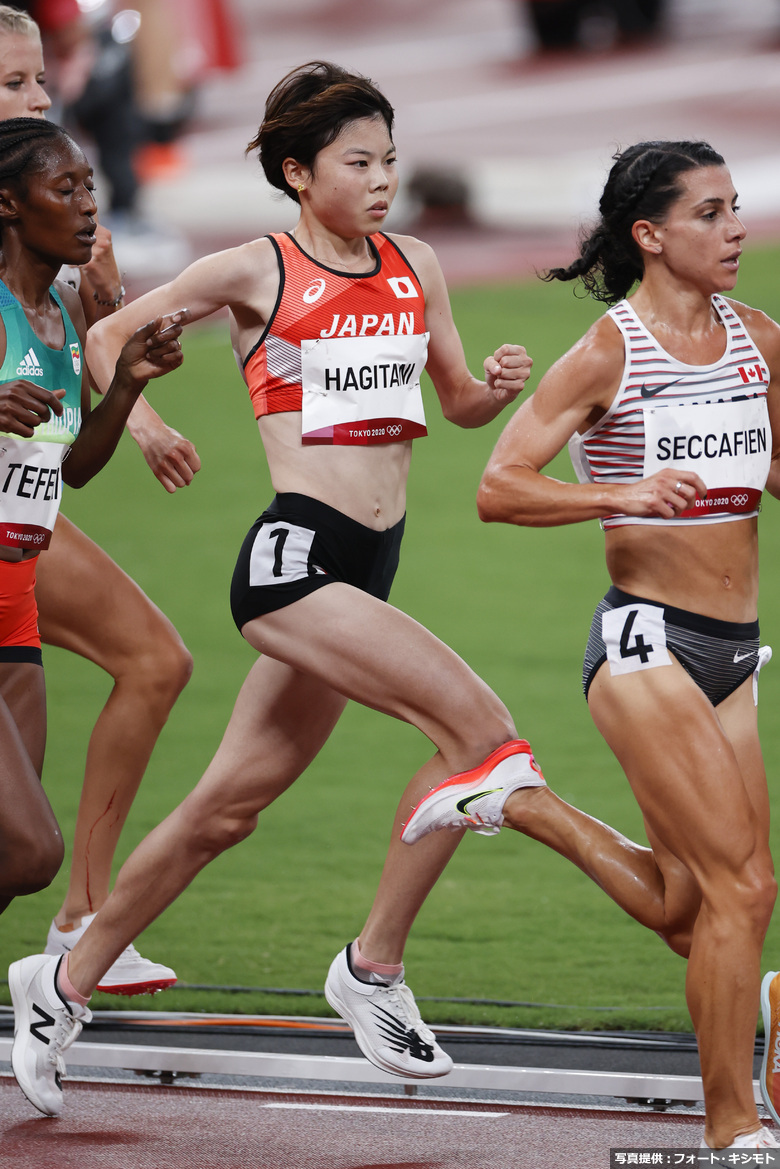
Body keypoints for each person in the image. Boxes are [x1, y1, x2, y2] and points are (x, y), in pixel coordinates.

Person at [7, 59, 542, 1118]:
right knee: (480, 731)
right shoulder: (257, 269)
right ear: (299, 173)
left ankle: (55, 985)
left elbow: (458, 401)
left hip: (372, 559)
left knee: (224, 808)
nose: (382, 179)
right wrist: (144, 417)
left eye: (391, 159)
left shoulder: (417, 262)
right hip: (295, 557)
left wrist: (494, 391)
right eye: (358, 162)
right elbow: (108, 334)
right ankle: (373, 968)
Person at [400, 141, 780, 1153]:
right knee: (746, 890)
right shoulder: (611, 351)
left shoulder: (760, 341)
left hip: (735, 655)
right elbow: (499, 485)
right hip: (645, 642)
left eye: (735, 207)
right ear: (649, 235)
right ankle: (732, 1127)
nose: (735, 227)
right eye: (708, 212)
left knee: (690, 912)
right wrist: (620, 490)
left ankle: (518, 799)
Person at [0, 3, 197, 994]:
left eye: (40, 82)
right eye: (10, 85)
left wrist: (132, 394)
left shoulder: (58, 245)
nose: (37, 99)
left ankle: (78, 924)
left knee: (154, 658)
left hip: (19, 545)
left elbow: (81, 398)